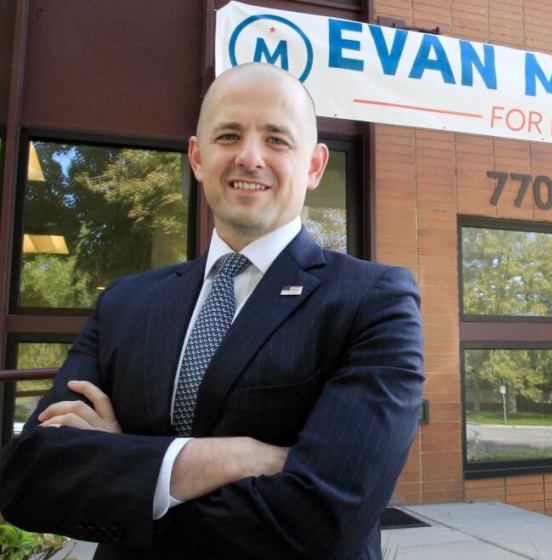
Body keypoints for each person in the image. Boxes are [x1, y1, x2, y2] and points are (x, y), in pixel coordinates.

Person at [0, 63, 424, 559]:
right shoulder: (124, 303)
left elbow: (324, 520)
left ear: (313, 166)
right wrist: (232, 457)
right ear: (198, 158)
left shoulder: (373, 300)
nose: (249, 157)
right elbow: (28, 479)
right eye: (229, 135)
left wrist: (123, 468)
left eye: (277, 140)